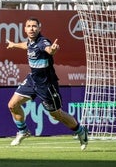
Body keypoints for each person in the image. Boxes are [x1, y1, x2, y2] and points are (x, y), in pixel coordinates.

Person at [6, 17, 88, 150]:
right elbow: (26, 45)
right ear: (25, 29)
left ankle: (80, 130)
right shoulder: (31, 42)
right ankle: (23, 131)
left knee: (57, 114)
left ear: (39, 28)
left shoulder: (42, 41)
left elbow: (49, 50)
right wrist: (14, 44)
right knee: (12, 105)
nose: (31, 28)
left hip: (47, 85)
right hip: (32, 80)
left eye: (34, 26)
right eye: (29, 26)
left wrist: (53, 50)